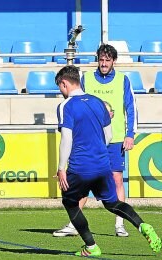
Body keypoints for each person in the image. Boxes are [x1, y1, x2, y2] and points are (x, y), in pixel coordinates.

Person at [54, 65, 160, 256]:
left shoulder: (65, 106)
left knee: (69, 201)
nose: (61, 92)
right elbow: (109, 136)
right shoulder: (97, 102)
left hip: (80, 166)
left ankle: (91, 247)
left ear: (64, 83)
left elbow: (66, 138)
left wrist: (61, 167)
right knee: (112, 204)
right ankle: (143, 225)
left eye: (60, 87)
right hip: (103, 163)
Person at [54, 44, 137, 238]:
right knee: (83, 180)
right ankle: (74, 224)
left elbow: (131, 107)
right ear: (97, 60)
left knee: (117, 179)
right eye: (101, 60)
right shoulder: (87, 78)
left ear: (114, 61)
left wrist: (130, 134)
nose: (104, 63)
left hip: (114, 138)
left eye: (108, 60)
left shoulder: (123, 80)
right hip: (92, 141)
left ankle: (120, 224)